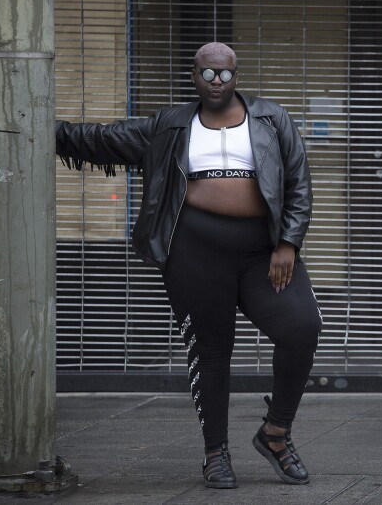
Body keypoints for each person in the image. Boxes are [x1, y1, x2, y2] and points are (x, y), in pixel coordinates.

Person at [55, 42, 323, 488]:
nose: (217, 81)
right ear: (194, 76)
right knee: (211, 352)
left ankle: (276, 434)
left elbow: (298, 183)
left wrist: (288, 243)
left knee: (301, 327)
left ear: (236, 76)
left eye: (225, 74)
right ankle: (215, 453)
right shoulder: (169, 125)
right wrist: (41, 127)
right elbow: (104, 139)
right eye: (208, 73)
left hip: (263, 253)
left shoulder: (272, 119)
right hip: (194, 253)